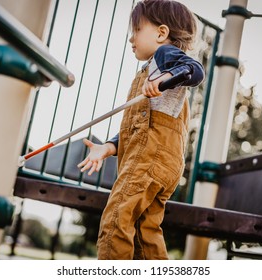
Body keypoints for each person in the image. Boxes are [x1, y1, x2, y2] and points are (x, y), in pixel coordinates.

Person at [78, 0, 204, 260]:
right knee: (145, 230)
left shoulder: (165, 57)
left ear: (161, 33)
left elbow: (196, 70)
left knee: (116, 218)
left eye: (136, 29)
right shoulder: (150, 69)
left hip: (149, 159)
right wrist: (109, 147)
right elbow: (138, 123)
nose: (130, 38)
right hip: (162, 163)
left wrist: (165, 78)